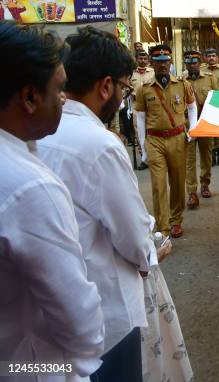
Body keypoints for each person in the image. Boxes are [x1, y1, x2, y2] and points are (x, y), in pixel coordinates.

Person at [36, 26, 154, 382]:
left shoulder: (29, 133)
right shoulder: (98, 144)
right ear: (106, 86)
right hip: (106, 315)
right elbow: (132, 236)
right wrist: (150, 253)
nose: (123, 96)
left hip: (47, 318)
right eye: (123, 87)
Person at [0, 21, 105, 381]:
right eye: (59, 89)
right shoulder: (30, 187)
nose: (64, 99)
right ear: (29, 97)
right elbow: (77, 316)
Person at [134, 44, 198, 238]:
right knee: (158, 184)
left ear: (170, 62)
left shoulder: (182, 84)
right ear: (153, 63)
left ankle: (176, 219)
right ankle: (163, 226)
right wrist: (143, 145)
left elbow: (192, 106)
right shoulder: (143, 89)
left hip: (178, 138)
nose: (162, 65)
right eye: (158, 62)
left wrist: (192, 130)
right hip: (155, 141)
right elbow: (140, 118)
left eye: (165, 61)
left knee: (178, 182)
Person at [183, 50, 219, 208]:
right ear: (186, 65)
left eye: (195, 62)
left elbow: (217, 100)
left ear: (200, 63)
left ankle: (205, 184)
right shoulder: (180, 81)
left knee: (206, 156)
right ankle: (191, 191)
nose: (192, 65)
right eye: (189, 63)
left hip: (205, 124)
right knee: (189, 160)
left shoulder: (210, 79)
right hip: (188, 125)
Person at [131, 50, 155, 171]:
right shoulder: (131, 73)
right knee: (138, 131)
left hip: (150, 105)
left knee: (150, 131)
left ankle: (153, 156)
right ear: (136, 59)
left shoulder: (153, 73)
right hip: (136, 106)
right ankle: (144, 159)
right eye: (140, 58)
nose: (143, 61)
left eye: (145, 58)